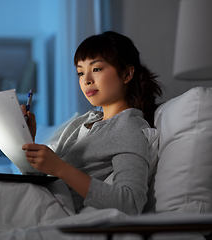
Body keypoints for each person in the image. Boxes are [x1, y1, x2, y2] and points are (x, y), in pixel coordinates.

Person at [21, 31, 162, 215]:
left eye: (96, 69)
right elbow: (43, 180)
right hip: (35, 199)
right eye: (81, 72)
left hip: (49, 211)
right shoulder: (84, 121)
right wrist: (26, 138)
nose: (86, 80)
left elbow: (131, 203)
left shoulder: (129, 128)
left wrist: (61, 168)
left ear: (127, 73)